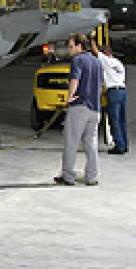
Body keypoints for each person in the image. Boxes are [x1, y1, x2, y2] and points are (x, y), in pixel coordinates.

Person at [54, 33, 103, 186]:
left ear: (79, 46)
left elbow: (75, 79)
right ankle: (92, 177)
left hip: (79, 107)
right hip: (95, 108)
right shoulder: (97, 62)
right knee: (91, 143)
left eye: (71, 46)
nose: (69, 50)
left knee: (71, 142)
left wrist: (69, 97)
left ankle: (68, 176)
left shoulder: (78, 60)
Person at [97, 42, 128, 154]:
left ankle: (119, 147)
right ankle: (124, 145)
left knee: (114, 120)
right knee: (121, 120)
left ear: (105, 53)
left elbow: (96, 52)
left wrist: (91, 38)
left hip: (114, 93)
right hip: (122, 91)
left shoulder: (106, 61)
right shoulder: (118, 63)